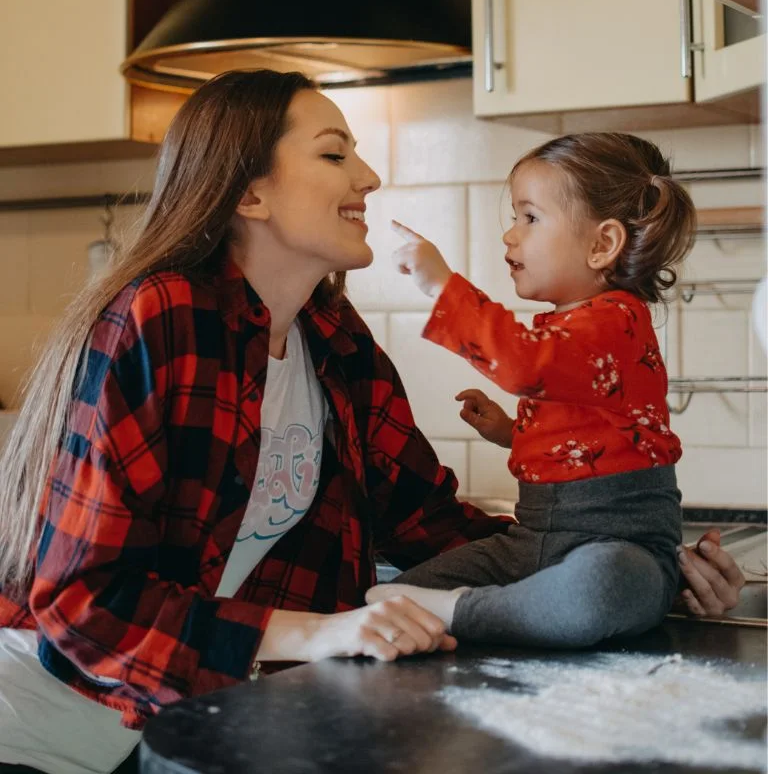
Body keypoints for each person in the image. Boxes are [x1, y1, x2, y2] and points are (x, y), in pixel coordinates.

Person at [0, 81, 743, 774]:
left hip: (193, 718)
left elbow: (431, 526)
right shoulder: (161, 317)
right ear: (249, 191)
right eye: (334, 154)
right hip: (46, 719)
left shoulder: (334, 337)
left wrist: (635, 566)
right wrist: (318, 632)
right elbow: (85, 603)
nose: (369, 178)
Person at [367, 132, 745, 648]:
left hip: (616, 542)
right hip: (534, 538)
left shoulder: (616, 319)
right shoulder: (575, 329)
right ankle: (493, 610)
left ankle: (466, 611)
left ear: (601, 245)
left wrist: (442, 286)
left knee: (600, 588)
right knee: (398, 595)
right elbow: (581, 430)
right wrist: (510, 430)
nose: (510, 235)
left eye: (529, 217)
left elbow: (524, 364)